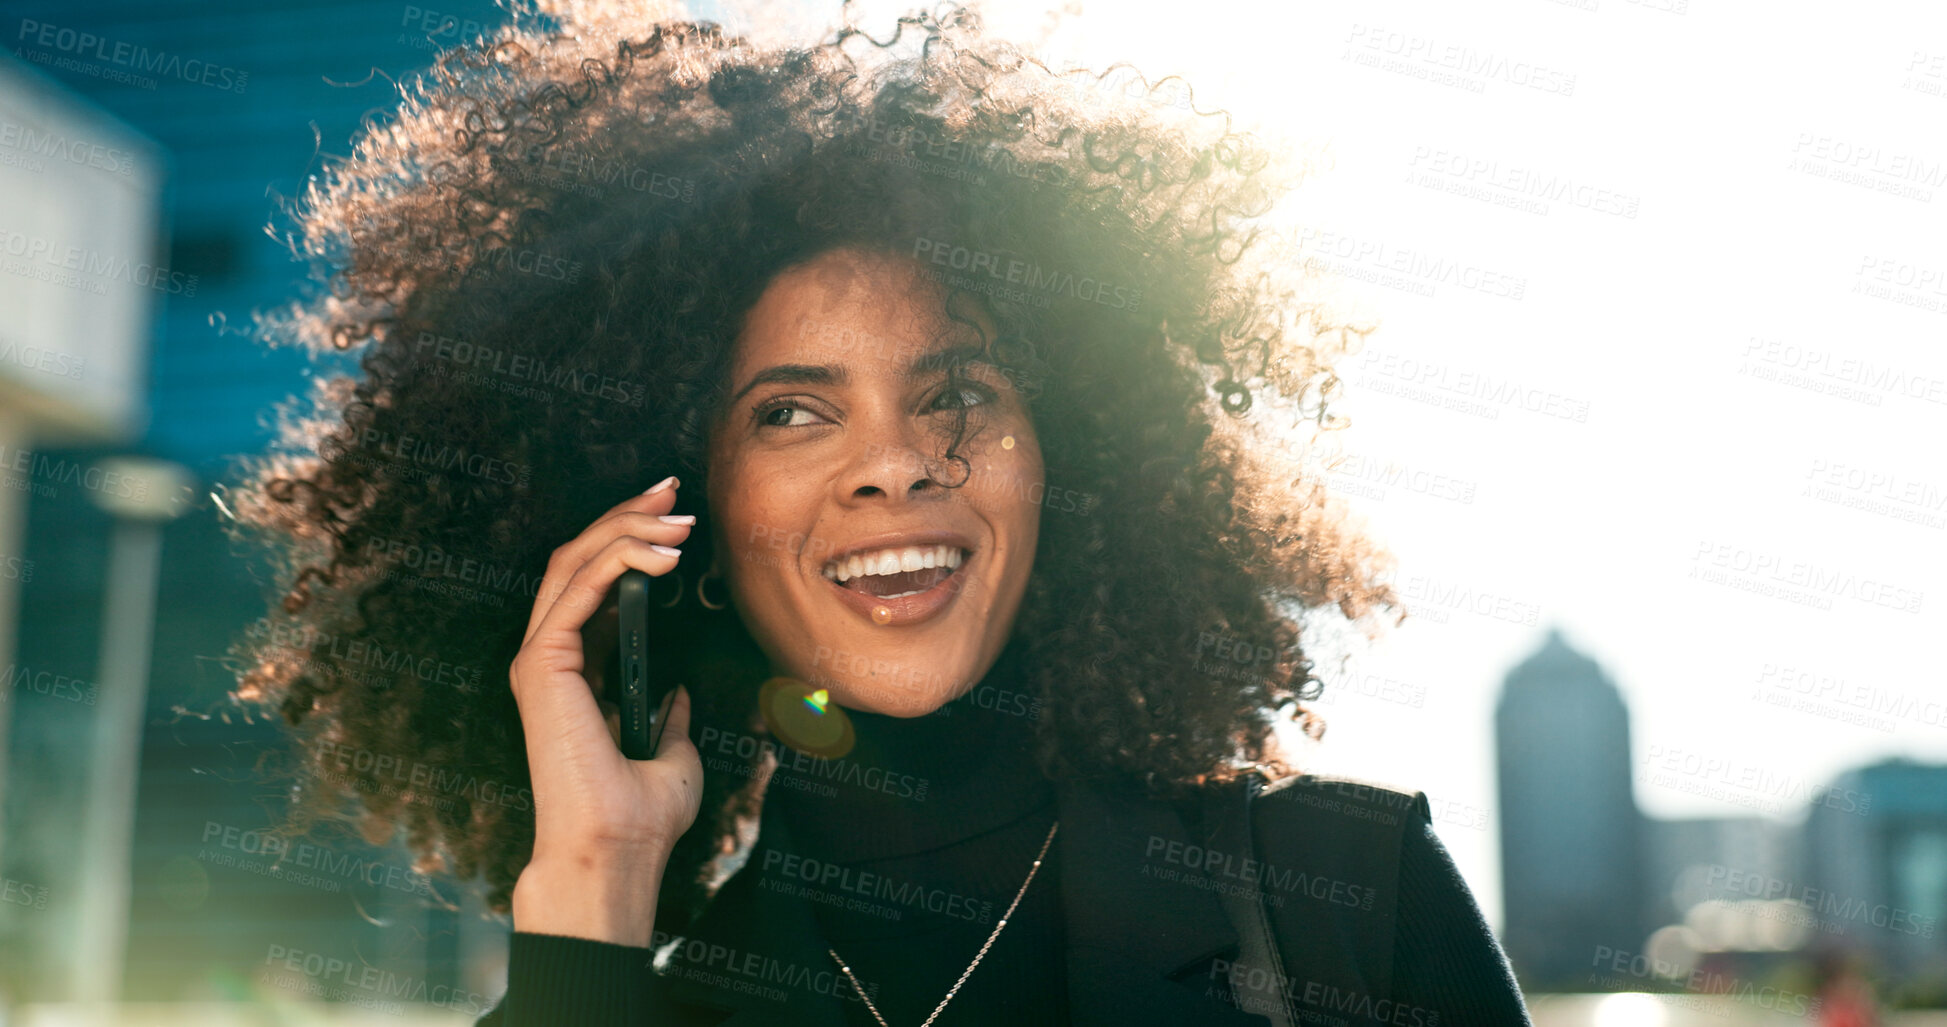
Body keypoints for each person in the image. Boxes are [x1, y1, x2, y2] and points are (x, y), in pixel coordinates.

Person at [227, 3, 1533, 1024]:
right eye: (791, 412)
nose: (894, 464)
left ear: (1070, 455)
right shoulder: (632, 1000)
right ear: (676, 516)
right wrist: (592, 885)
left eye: (956, 392)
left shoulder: (1351, 897)